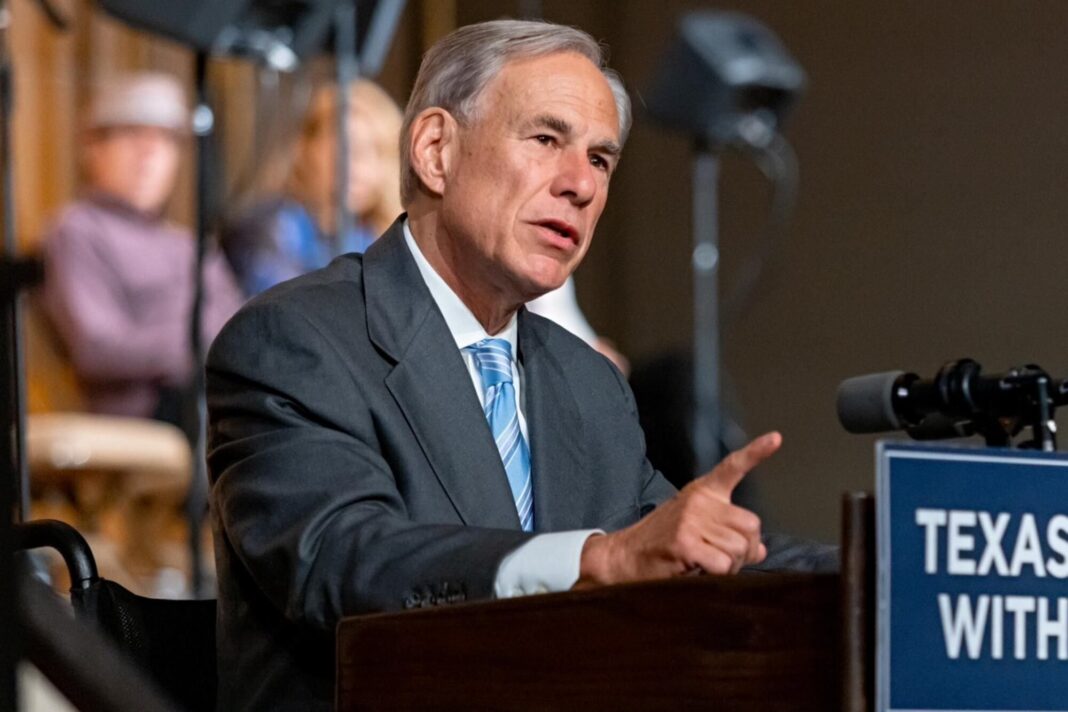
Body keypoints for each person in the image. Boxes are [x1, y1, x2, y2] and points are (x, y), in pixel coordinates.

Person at [207, 20, 829, 711]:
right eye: (545, 139)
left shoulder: (587, 384)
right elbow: (343, 561)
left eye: (600, 159)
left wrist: (890, 570)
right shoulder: (294, 341)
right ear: (436, 150)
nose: (582, 186)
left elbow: (677, 543)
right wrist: (595, 561)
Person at [40, 72, 244, 425]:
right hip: (150, 413)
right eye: (133, 133)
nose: (149, 152)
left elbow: (243, 332)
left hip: (218, 401)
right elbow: (96, 348)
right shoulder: (77, 230)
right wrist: (197, 340)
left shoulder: (193, 245)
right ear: (93, 148)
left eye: (165, 139)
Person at [220, 79, 405, 296]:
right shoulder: (270, 229)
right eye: (346, 145)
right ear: (305, 146)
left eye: (376, 150)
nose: (359, 163)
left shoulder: (380, 241)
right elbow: (285, 313)